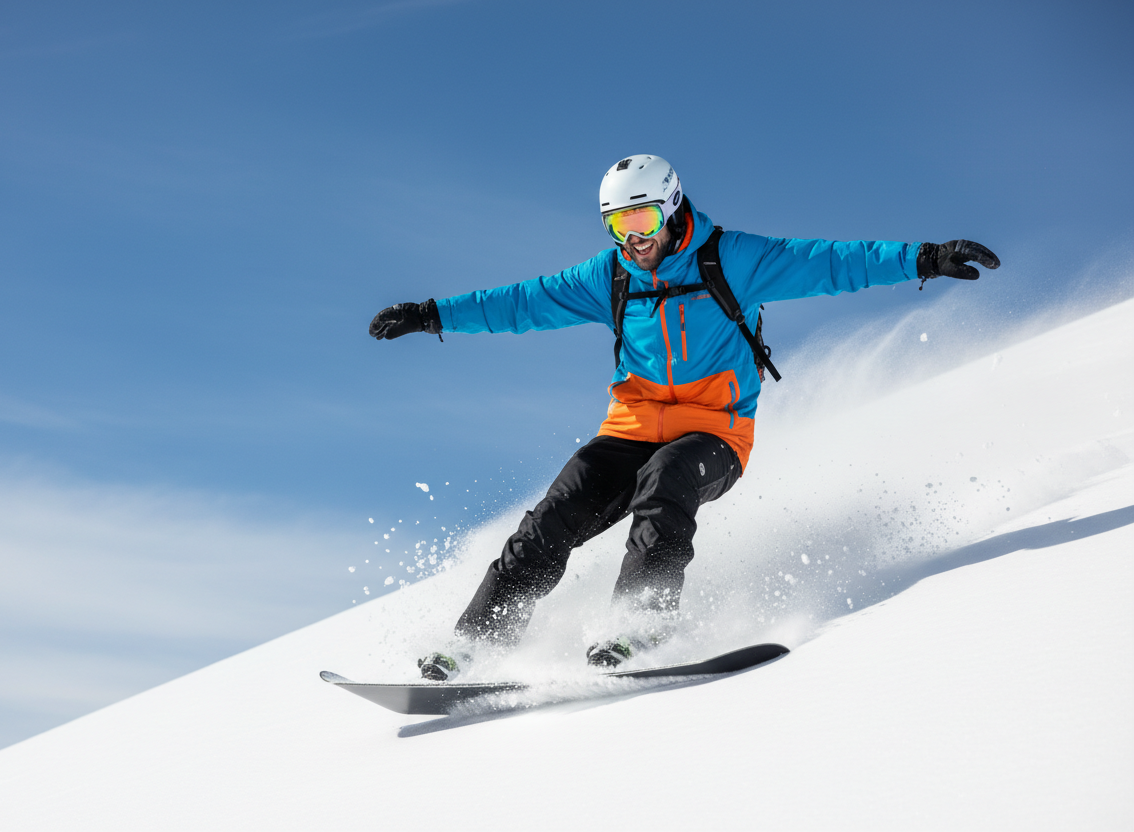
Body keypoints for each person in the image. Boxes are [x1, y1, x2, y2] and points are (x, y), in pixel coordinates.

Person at [369, 154, 999, 679]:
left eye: (641, 219)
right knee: (555, 513)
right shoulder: (610, 276)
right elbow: (523, 303)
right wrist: (432, 314)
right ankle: (477, 642)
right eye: (618, 226)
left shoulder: (732, 259)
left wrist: (924, 256)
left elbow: (832, 262)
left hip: (716, 432)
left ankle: (640, 624)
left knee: (667, 481)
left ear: (671, 209)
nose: (633, 238)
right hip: (630, 427)